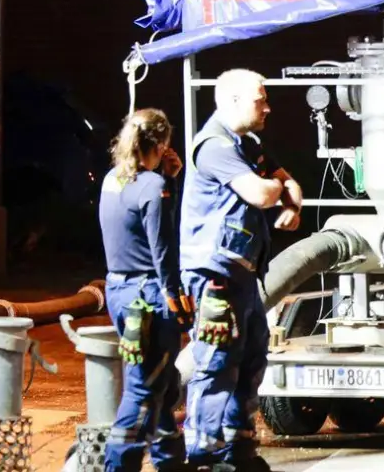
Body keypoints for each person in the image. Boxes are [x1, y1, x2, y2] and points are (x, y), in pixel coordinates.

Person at [180, 69, 302, 472]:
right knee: (216, 363)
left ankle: (239, 449)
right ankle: (203, 455)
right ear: (232, 100)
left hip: (243, 274)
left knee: (250, 359)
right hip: (216, 274)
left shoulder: (247, 144)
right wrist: (277, 194)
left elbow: (289, 184)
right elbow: (261, 191)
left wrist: (290, 203)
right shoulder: (214, 147)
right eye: (259, 99)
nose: (267, 106)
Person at [98, 108, 190, 472]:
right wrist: (175, 296)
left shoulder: (111, 179)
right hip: (149, 295)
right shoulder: (153, 187)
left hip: (118, 291)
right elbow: (161, 246)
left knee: (162, 384)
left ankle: (170, 461)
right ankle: (118, 465)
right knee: (144, 386)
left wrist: (167, 180)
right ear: (162, 144)